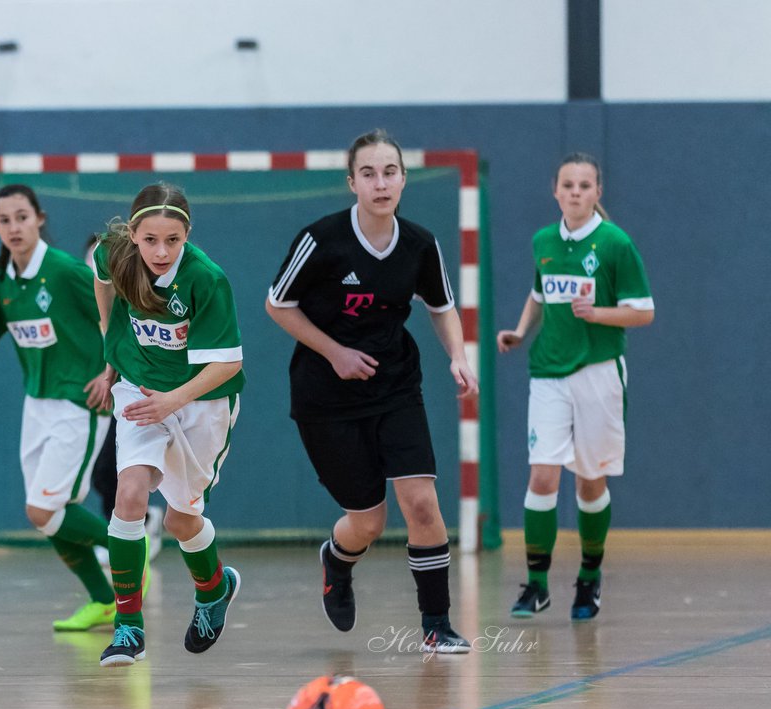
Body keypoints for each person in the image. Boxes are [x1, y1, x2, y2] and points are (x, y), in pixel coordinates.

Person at [265, 129, 477, 654]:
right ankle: (337, 561)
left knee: (422, 503)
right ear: (352, 183)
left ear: (403, 179)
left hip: (396, 385)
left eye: (389, 172)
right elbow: (277, 304)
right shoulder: (321, 240)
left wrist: (458, 355)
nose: (380, 183)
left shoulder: (420, 245)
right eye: (368, 173)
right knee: (367, 520)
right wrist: (334, 351)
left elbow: (440, 305)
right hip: (326, 397)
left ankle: (437, 624)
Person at [92, 182, 245, 667]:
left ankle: (214, 587)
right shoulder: (114, 254)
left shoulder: (206, 278)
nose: (161, 250)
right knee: (129, 495)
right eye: (151, 239)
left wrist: (172, 402)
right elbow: (99, 272)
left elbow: (227, 366)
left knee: (181, 519)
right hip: (139, 390)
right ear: (133, 234)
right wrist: (109, 339)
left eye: (172, 240)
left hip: (202, 399)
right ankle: (128, 628)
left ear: (187, 236)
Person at [497, 152, 654, 621]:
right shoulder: (543, 240)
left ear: (597, 193)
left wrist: (598, 314)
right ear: (555, 190)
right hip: (548, 372)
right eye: (568, 185)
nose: (576, 193)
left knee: (589, 483)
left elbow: (644, 311)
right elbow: (540, 292)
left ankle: (589, 576)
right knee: (542, 474)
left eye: (585, 186)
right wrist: (521, 331)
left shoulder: (615, 244)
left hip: (599, 373)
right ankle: (537, 583)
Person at [0, 184, 120, 632]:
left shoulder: (67, 270)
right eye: (4, 220)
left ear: (39, 219)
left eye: (21, 217)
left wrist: (110, 372)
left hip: (80, 402)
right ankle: (104, 600)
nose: (13, 227)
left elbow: (119, 315)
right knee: (50, 518)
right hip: (37, 405)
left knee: (42, 509)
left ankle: (128, 546)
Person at [83, 233, 165, 569]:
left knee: (114, 472)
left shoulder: (144, 297)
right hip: (111, 392)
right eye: (93, 265)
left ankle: (142, 527)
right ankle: (139, 526)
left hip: (146, 390)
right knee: (103, 474)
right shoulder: (94, 300)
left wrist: (113, 371)